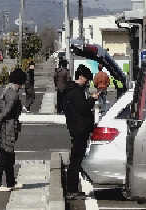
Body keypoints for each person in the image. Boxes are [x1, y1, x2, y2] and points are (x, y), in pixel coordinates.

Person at [0, 66, 26, 193]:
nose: (22, 86)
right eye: (22, 82)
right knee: (4, 156)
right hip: (9, 128)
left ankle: (11, 182)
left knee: (9, 156)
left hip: (5, 127)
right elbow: (7, 110)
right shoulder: (13, 94)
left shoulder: (6, 90)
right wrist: (1, 119)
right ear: (19, 82)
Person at [63, 64, 96, 195]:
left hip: (76, 128)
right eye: (86, 79)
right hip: (79, 130)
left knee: (75, 159)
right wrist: (92, 99)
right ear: (81, 77)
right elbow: (83, 108)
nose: (87, 81)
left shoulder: (70, 90)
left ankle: (72, 188)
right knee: (76, 160)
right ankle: (71, 189)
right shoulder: (76, 92)